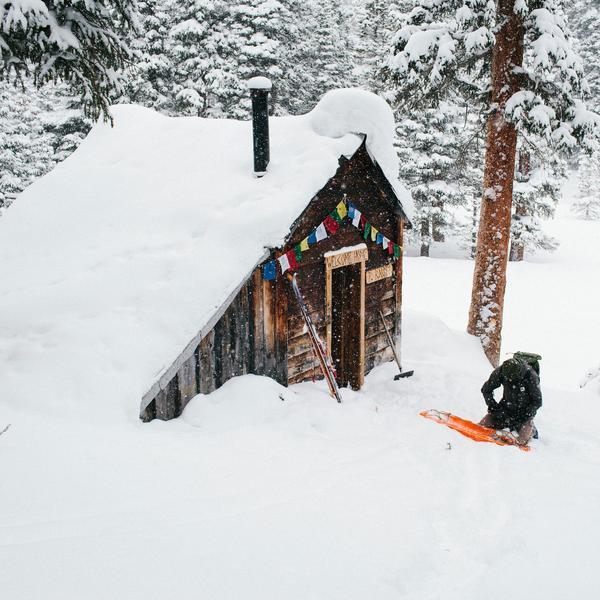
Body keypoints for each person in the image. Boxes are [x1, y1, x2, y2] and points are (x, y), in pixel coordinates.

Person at [480, 357, 542, 445]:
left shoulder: (530, 376)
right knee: (480, 427)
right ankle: (508, 423)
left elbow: (537, 401)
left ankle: (532, 430)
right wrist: (494, 408)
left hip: (523, 414)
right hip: (504, 410)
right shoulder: (501, 371)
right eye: (507, 378)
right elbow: (486, 390)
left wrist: (525, 416)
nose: (509, 380)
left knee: (521, 442)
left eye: (512, 378)